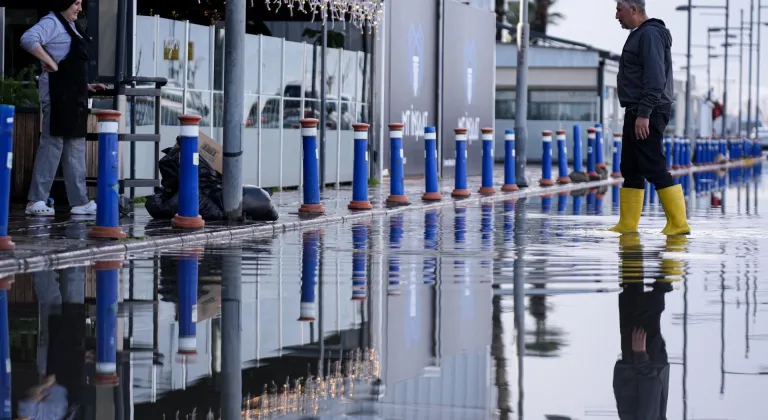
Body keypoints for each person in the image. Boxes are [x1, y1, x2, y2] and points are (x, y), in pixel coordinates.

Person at [609, 0, 690, 235]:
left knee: (652, 165)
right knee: (631, 167)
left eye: (619, 10)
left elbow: (655, 78)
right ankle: (628, 224)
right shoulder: (641, 34)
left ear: (633, 9)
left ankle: (678, 223)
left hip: (648, 111)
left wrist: (644, 113)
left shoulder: (651, 34)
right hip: (636, 110)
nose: (617, 16)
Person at [20, 0, 107, 217]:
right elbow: (28, 39)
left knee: (75, 149)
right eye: (76, 3)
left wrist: (85, 86)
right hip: (57, 96)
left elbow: (72, 66)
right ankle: (35, 200)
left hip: (74, 96)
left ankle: (80, 202)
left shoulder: (71, 26)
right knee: (52, 146)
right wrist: (49, 61)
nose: (79, 8)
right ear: (64, 3)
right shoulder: (52, 22)